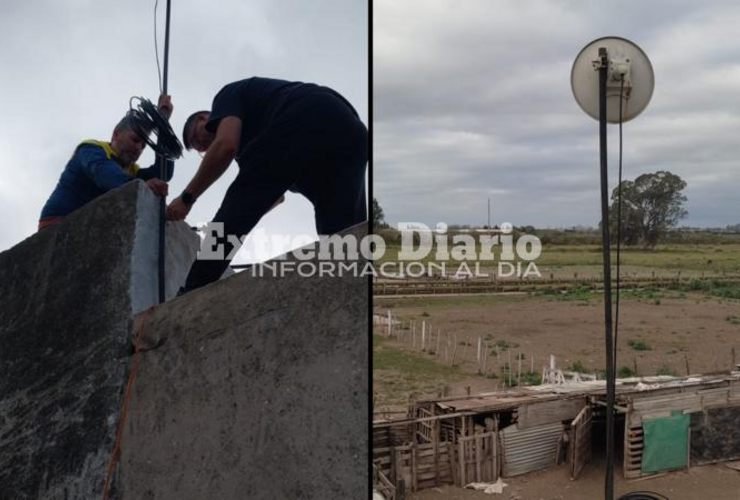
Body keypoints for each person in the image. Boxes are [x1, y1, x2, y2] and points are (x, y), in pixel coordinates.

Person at [167, 77, 367, 293]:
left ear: (205, 117)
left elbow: (225, 146)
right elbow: (274, 197)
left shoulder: (226, 96)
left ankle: (194, 289)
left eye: (197, 137)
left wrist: (187, 198)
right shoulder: (254, 149)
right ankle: (357, 293)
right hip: (350, 132)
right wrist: (244, 214)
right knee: (344, 240)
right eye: (198, 148)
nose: (202, 146)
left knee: (236, 207)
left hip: (308, 111)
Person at [38, 95, 174, 230]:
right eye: (135, 139)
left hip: (86, 226)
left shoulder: (129, 171)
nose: (138, 148)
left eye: (144, 146)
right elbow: (107, 176)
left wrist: (163, 124)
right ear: (116, 133)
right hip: (56, 224)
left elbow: (162, 172)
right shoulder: (90, 149)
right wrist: (144, 185)